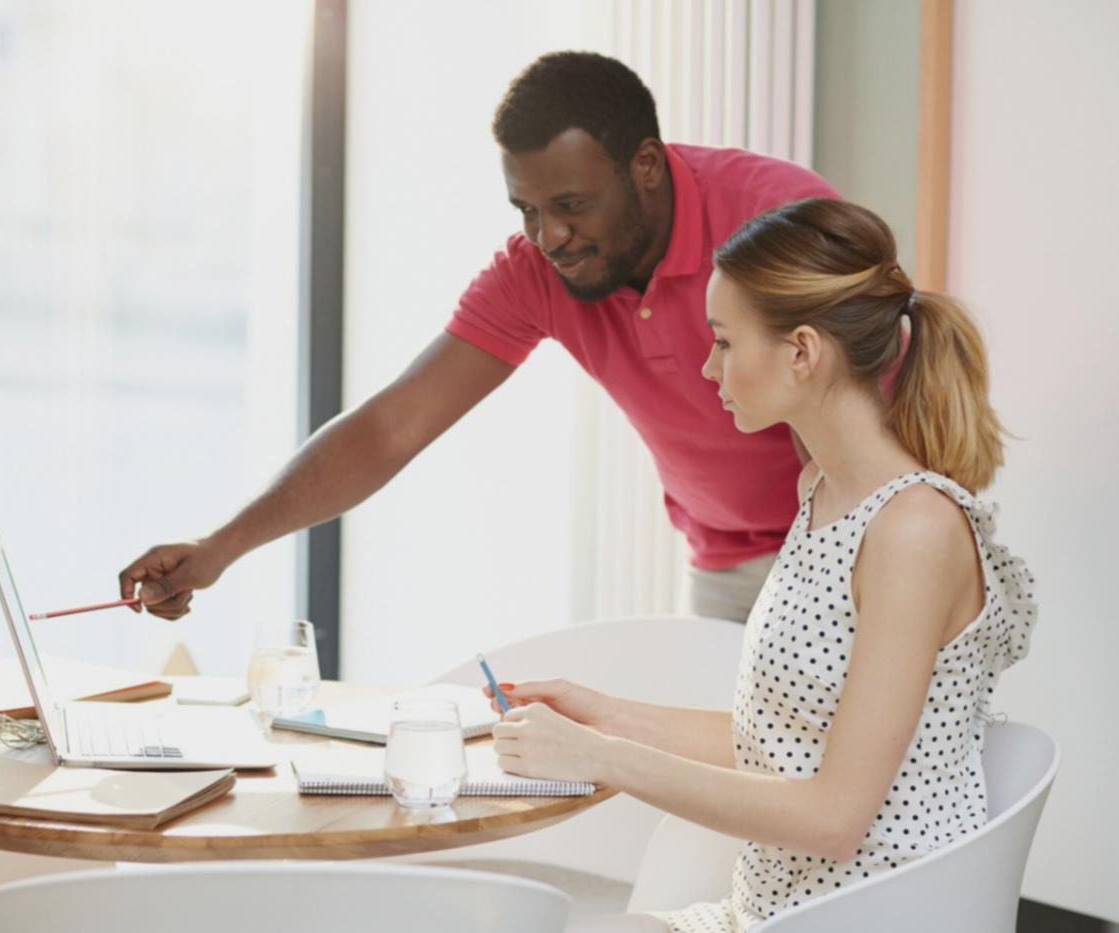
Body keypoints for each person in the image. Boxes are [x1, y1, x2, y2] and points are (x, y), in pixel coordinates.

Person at [118, 51, 838, 624]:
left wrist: (835, 575)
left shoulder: (777, 215)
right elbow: (390, 427)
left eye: (571, 205)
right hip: (718, 563)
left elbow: (862, 408)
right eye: (526, 208)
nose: (549, 235)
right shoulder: (536, 269)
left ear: (644, 166)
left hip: (840, 546)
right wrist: (220, 546)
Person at [486, 198, 1037, 931]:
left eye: (721, 340)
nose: (707, 364)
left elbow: (834, 816)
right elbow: (784, 741)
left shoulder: (914, 530)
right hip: (768, 911)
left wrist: (601, 756)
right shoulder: (821, 490)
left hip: (867, 916)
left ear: (801, 351)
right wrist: (604, 714)